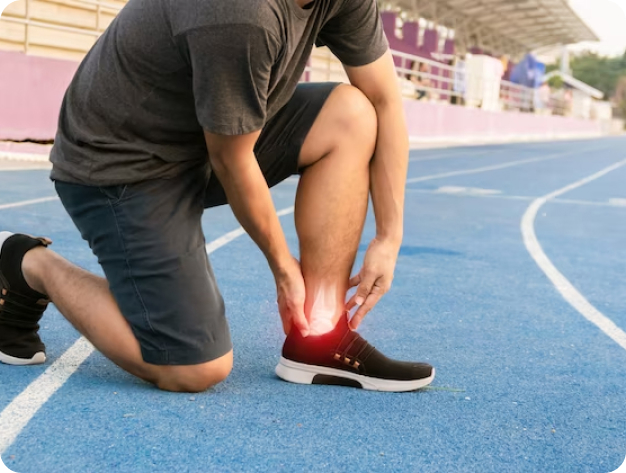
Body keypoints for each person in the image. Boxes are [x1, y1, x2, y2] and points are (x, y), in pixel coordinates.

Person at [0, 0, 434, 392]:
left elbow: (384, 100)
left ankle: (318, 336)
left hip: (203, 141)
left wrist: (388, 237)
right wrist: (284, 268)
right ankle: (28, 265)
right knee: (193, 369)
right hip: (122, 162)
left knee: (352, 116)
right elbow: (232, 161)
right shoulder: (242, 12)